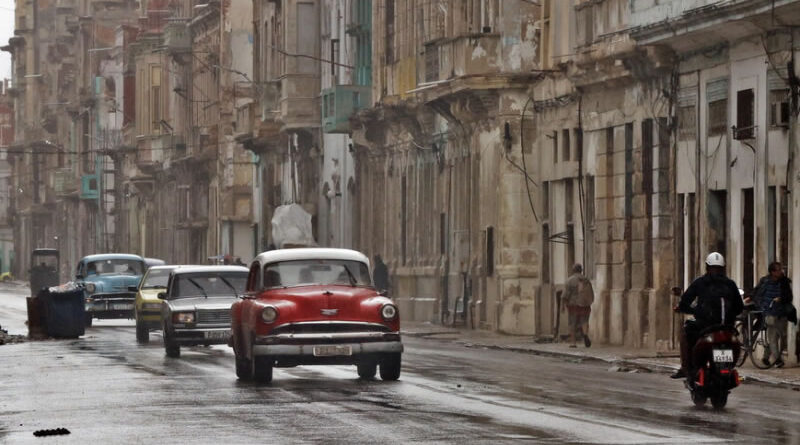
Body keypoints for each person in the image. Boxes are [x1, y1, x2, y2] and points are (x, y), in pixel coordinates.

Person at [671, 252, 743, 379]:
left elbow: (685, 301)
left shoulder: (700, 282)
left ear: (707, 267)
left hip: (705, 326)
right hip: (727, 327)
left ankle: (685, 367)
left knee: (686, 331)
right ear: (723, 268)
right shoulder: (730, 284)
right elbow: (739, 307)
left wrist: (692, 310)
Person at [752, 261, 794, 368]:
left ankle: (766, 357)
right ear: (772, 272)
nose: (781, 271)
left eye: (781, 269)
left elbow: (789, 297)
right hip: (769, 312)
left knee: (780, 336)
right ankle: (778, 360)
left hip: (781, 313)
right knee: (772, 337)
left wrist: (781, 299)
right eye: (778, 269)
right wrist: (757, 302)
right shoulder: (765, 281)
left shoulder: (784, 282)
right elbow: (757, 292)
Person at [563, 263, 594, 348]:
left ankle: (573, 342)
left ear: (573, 270)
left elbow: (565, 294)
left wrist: (564, 304)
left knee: (572, 323)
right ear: (581, 270)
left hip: (573, 305)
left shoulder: (570, 280)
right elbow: (591, 293)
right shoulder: (586, 280)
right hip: (585, 304)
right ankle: (585, 334)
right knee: (584, 321)